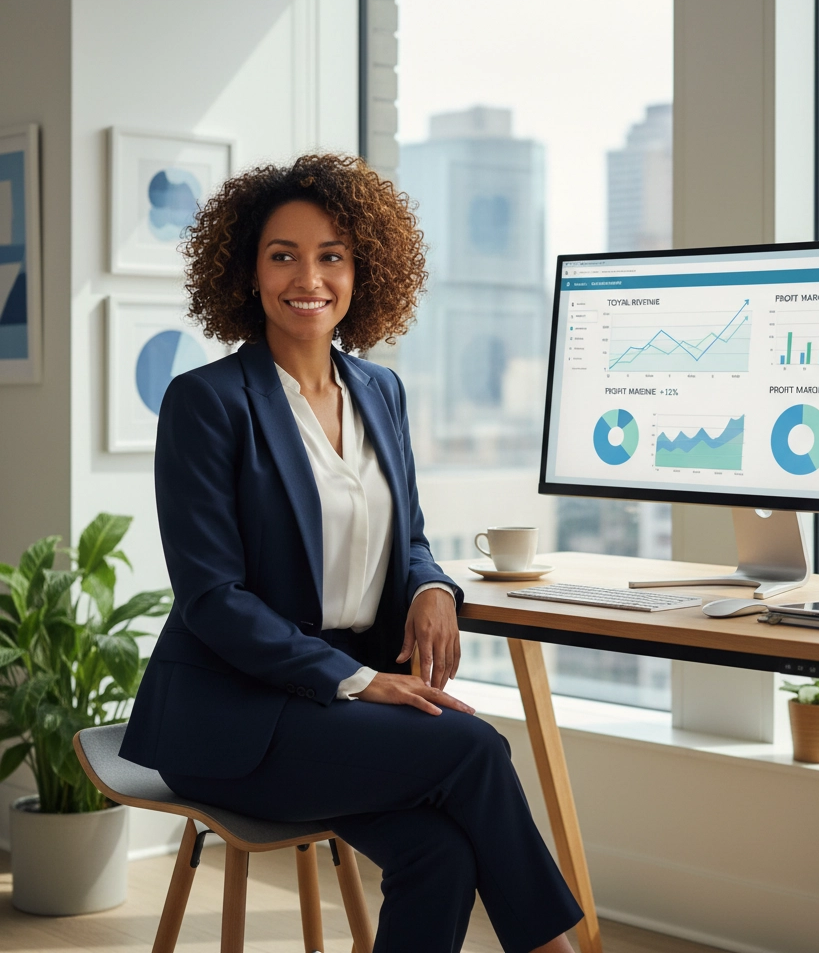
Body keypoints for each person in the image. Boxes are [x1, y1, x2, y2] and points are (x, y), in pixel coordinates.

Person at [120, 154, 583, 953]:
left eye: (332, 254)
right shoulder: (206, 403)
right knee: (472, 748)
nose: (310, 277)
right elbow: (212, 597)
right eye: (283, 255)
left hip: (333, 717)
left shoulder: (381, 391)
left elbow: (406, 542)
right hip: (235, 720)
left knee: (438, 854)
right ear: (248, 271)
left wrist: (434, 588)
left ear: (363, 267)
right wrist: (362, 681)